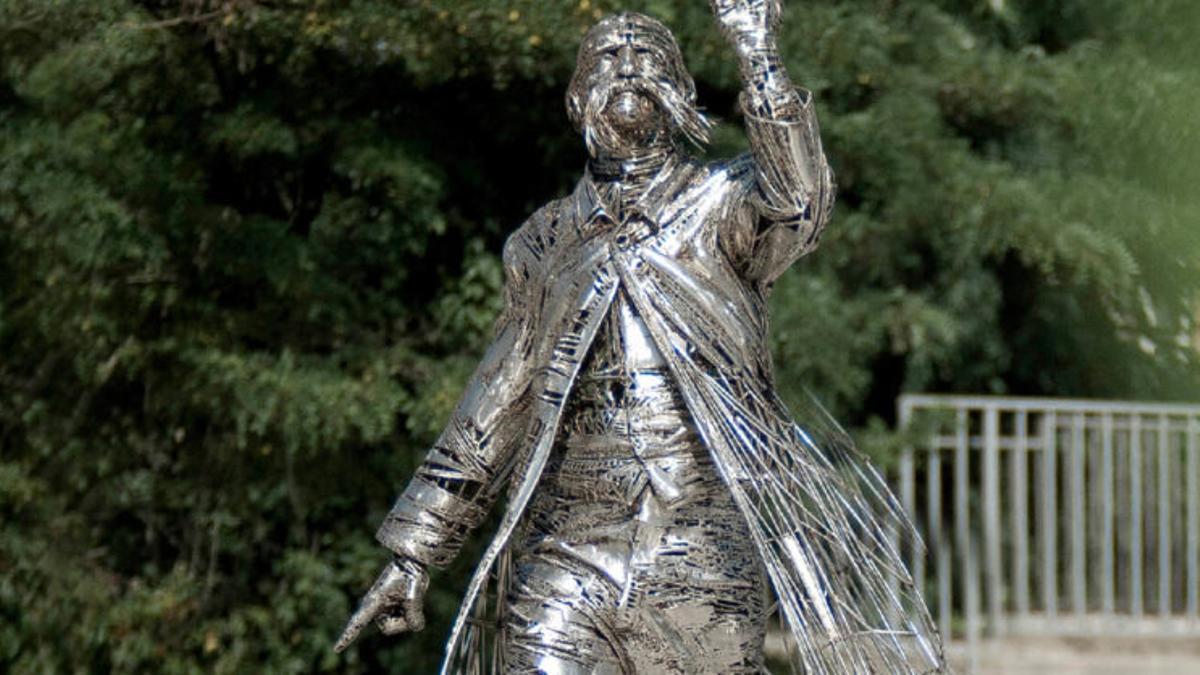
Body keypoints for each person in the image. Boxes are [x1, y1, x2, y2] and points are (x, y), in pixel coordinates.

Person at [337, 2, 944, 673]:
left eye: (648, 56)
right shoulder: (543, 242)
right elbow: (496, 399)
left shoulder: (723, 204)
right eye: (606, 58)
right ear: (576, 102)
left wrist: (758, 56)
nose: (627, 66)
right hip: (564, 554)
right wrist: (414, 549)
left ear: (682, 94)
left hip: (700, 554)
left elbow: (801, 201)